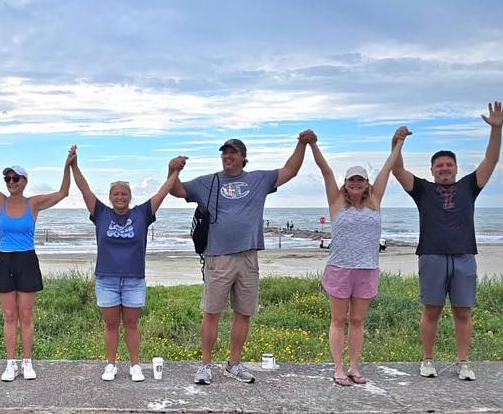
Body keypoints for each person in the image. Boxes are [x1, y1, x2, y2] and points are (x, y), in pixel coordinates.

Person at [168, 130, 312, 385]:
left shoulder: (259, 179)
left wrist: (301, 144)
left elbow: (290, 170)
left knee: (243, 313)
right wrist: (173, 170)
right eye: (224, 152)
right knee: (211, 313)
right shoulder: (208, 182)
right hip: (218, 256)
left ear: (244, 158)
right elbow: (177, 191)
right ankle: (205, 366)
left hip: (248, 256)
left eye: (232, 152)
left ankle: (234, 364)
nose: (227, 156)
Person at [392, 101, 503, 381]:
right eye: (439, 165)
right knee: (431, 310)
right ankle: (427, 359)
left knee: (463, 312)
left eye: (448, 165)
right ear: (432, 170)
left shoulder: (469, 185)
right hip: (431, 255)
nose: (444, 169)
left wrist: (497, 130)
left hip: (464, 255)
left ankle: (463, 362)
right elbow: (397, 170)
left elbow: (491, 160)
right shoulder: (422, 189)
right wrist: (396, 142)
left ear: (456, 168)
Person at [70, 149, 186, 382]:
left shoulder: (142, 213)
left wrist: (175, 171)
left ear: (129, 197)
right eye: (116, 194)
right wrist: (74, 165)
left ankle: (135, 366)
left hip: (134, 280)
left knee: (132, 324)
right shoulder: (101, 213)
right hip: (106, 280)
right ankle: (111, 365)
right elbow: (85, 190)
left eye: (124, 194)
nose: (120, 197)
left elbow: (162, 193)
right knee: (111, 325)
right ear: (110, 197)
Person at [0, 130, 72, 382]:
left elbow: (63, 192)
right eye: (8, 178)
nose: (11, 182)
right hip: (4, 260)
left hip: (26, 259)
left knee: (26, 315)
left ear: (25, 181)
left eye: (16, 178)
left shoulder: (33, 204)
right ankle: (10, 363)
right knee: (9, 315)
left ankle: (27, 362)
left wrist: (68, 165)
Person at [306, 128, 407, 386]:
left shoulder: (375, 200)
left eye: (360, 180)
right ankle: (338, 368)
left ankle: (354, 367)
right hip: (340, 268)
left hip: (367, 269)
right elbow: (326, 171)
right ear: (346, 183)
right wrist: (313, 145)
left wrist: (399, 143)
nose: (356, 183)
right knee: (339, 320)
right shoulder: (337, 201)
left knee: (358, 320)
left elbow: (386, 169)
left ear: (366, 183)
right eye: (352, 180)